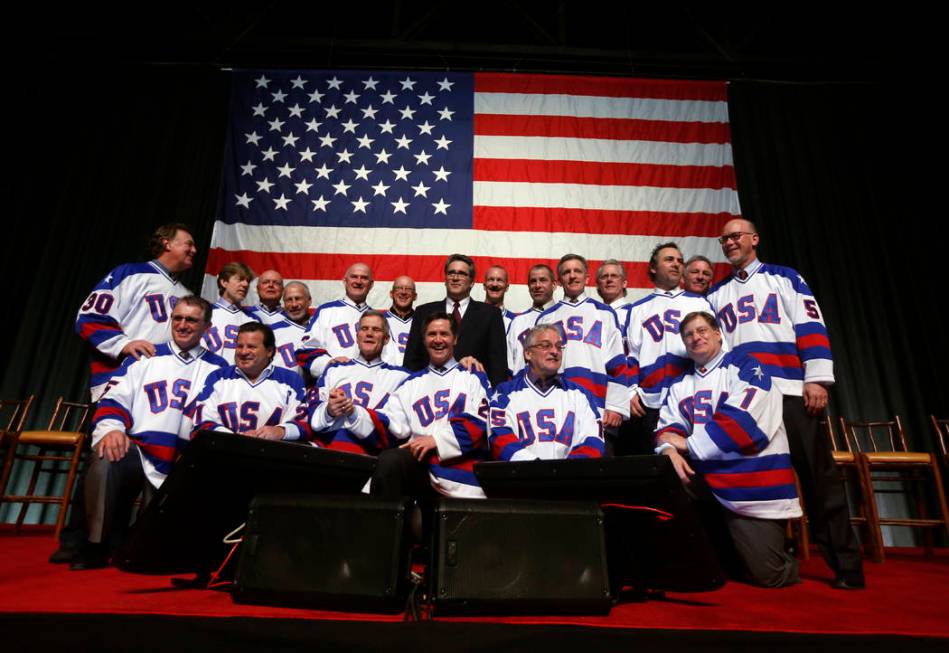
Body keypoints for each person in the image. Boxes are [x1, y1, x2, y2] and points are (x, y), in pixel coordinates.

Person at [706, 218, 864, 589]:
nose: (729, 242)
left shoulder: (785, 278)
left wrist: (816, 379)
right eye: (724, 238)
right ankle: (767, 554)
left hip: (792, 392)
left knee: (818, 479)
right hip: (748, 402)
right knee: (754, 479)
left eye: (736, 236)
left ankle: (846, 565)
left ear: (754, 239)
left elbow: (810, 326)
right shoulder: (716, 295)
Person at [68, 297, 227, 570]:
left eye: (191, 320)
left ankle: (140, 543)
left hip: (184, 458)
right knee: (105, 455)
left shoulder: (220, 369)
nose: (182, 325)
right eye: (177, 318)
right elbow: (113, 400)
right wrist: (112, 430)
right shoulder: (145, 356)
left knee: (150, 547)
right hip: (138, 450)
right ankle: (95, 544)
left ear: (207, 328)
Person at [655, 311, 802, 588]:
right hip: (707, 483)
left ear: (718, 333)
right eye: (688, 334)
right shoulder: (680, 384)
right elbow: (666, 427)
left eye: (702, 331)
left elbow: (744, 424)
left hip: (750, 485)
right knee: (664, 475)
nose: (695, 337)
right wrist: (668, 450)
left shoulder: (747, 367)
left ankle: (783, 553)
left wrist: (687, 444)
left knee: (766, 575)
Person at [349, 312, 490, 500]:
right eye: (432, 334)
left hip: (460, 475)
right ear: (424, 339)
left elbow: (480, 423)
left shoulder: (473, 376)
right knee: (390, 461)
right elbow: (392, 424)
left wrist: (436, 440)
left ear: (455, 339)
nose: (438, 340)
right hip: (421, 469)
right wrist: (353, 412)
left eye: (444, 334)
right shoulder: (410, 383)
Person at [76, 223, 197, 401]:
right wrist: (122, 344)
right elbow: (90, 317)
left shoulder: (187, 296)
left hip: (162, 388)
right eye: (189, 244)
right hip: (120, 379)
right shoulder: (129, 273)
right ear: (167, 244)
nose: (194, 250)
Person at [623, 243, 715, 454]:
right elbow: (631, 355)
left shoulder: (699, 303)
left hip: (692, 395)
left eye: (680, 260)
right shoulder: (639, 308)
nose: (676, 264)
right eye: (669, 259)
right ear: (653, 268)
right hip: (649, 401)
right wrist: (630, 390)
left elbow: (719, 349)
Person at [530, 254, 630, 429]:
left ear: (587, 277)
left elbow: (617, 363)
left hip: (598, 406)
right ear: (560, 280)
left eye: (578, 271)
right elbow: (537, 368)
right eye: (567, 272)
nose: (573, 275)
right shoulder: (546, 317)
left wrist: (615, 407)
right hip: (556, 407)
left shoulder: (605, 313)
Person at [489, 324, 604, 461]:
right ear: (528, 353)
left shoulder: (580, 395)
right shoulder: (504, 395)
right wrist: (539, 469)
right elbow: (499, 439)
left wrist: (566, 472)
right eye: (545, 345)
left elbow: (594, 440)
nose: (555, 351)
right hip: (521, 479)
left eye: (559, 346)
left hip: (571, 480)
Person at [309, 310, 410, 455]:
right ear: (357, 336)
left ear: (386, 339)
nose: (369, 333)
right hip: (326, 453)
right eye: (364, 329)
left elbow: (398, 429)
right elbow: (313, 414)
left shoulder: (401, 377)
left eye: (376, 330)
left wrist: (354, 412)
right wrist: (329, 411)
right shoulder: (334, 369)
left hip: (371, 460)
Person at [192, 322, 309, 442]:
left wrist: (281, 431)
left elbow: (304, 425)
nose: (243, 352)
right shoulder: (218, 378)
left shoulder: (291, 380)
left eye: (251, 347)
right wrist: (234, 439)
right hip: (223, 454)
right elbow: (201, 423)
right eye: (240, 346)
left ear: (269, 351)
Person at [403, 254, 507, 387]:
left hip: (472, 393)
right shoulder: (423, 312)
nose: (456, 278)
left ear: (472, 282)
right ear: (445, 279)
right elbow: (411, 362)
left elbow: (498, 365)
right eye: (451, 273)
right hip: (428, 392)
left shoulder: (490, 315)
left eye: (462, 274)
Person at [296, 262, 373, 382]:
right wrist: (329, 363)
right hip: (333, 386)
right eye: (354, 277)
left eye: (364, 278)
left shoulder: (377, 318)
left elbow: (389, 357)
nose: (358, 281)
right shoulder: (326, 311)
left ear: (371, 284)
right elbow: (305, 352)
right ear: (345, 281)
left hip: (369, 385)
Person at [506, 264, 557, 376]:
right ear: (528, 287)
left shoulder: (564, 317)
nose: (537, 285)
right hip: (522, 389)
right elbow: (509, 367)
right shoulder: (517, 322)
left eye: (543, 280)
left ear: (554, 285)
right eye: (533, 281)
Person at [203, 261, 258, 364]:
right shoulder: (203, 313)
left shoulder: (254, 320)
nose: (245, 284)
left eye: (248, 281)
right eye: (240, 279)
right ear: (224, 282)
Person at [268, 281, 311, 373]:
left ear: (309, 301)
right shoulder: (271, 332)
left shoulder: (322, 326)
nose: (294, 304)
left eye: (298, 298)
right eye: (289, 300)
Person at [382, 275, 417, 367]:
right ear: (391, 294)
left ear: (415, 296)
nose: (403, 292)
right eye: (399, 288)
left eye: (408, 289)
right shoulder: (380, 321)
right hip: (386, 375)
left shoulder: (422, 322)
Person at [595, 259, 633, 340]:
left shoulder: (635, 313)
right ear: (598, 285)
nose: (609, 280)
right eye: (604, 276)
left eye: (614, 276)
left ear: (624, 283)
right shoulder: (592, 314)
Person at [482, 265, 517, 331]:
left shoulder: (515, 322)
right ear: (484, 285)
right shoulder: (471, 317)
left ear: (507, 287)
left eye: (499, 280)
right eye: (491, 279)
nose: (495, 284)